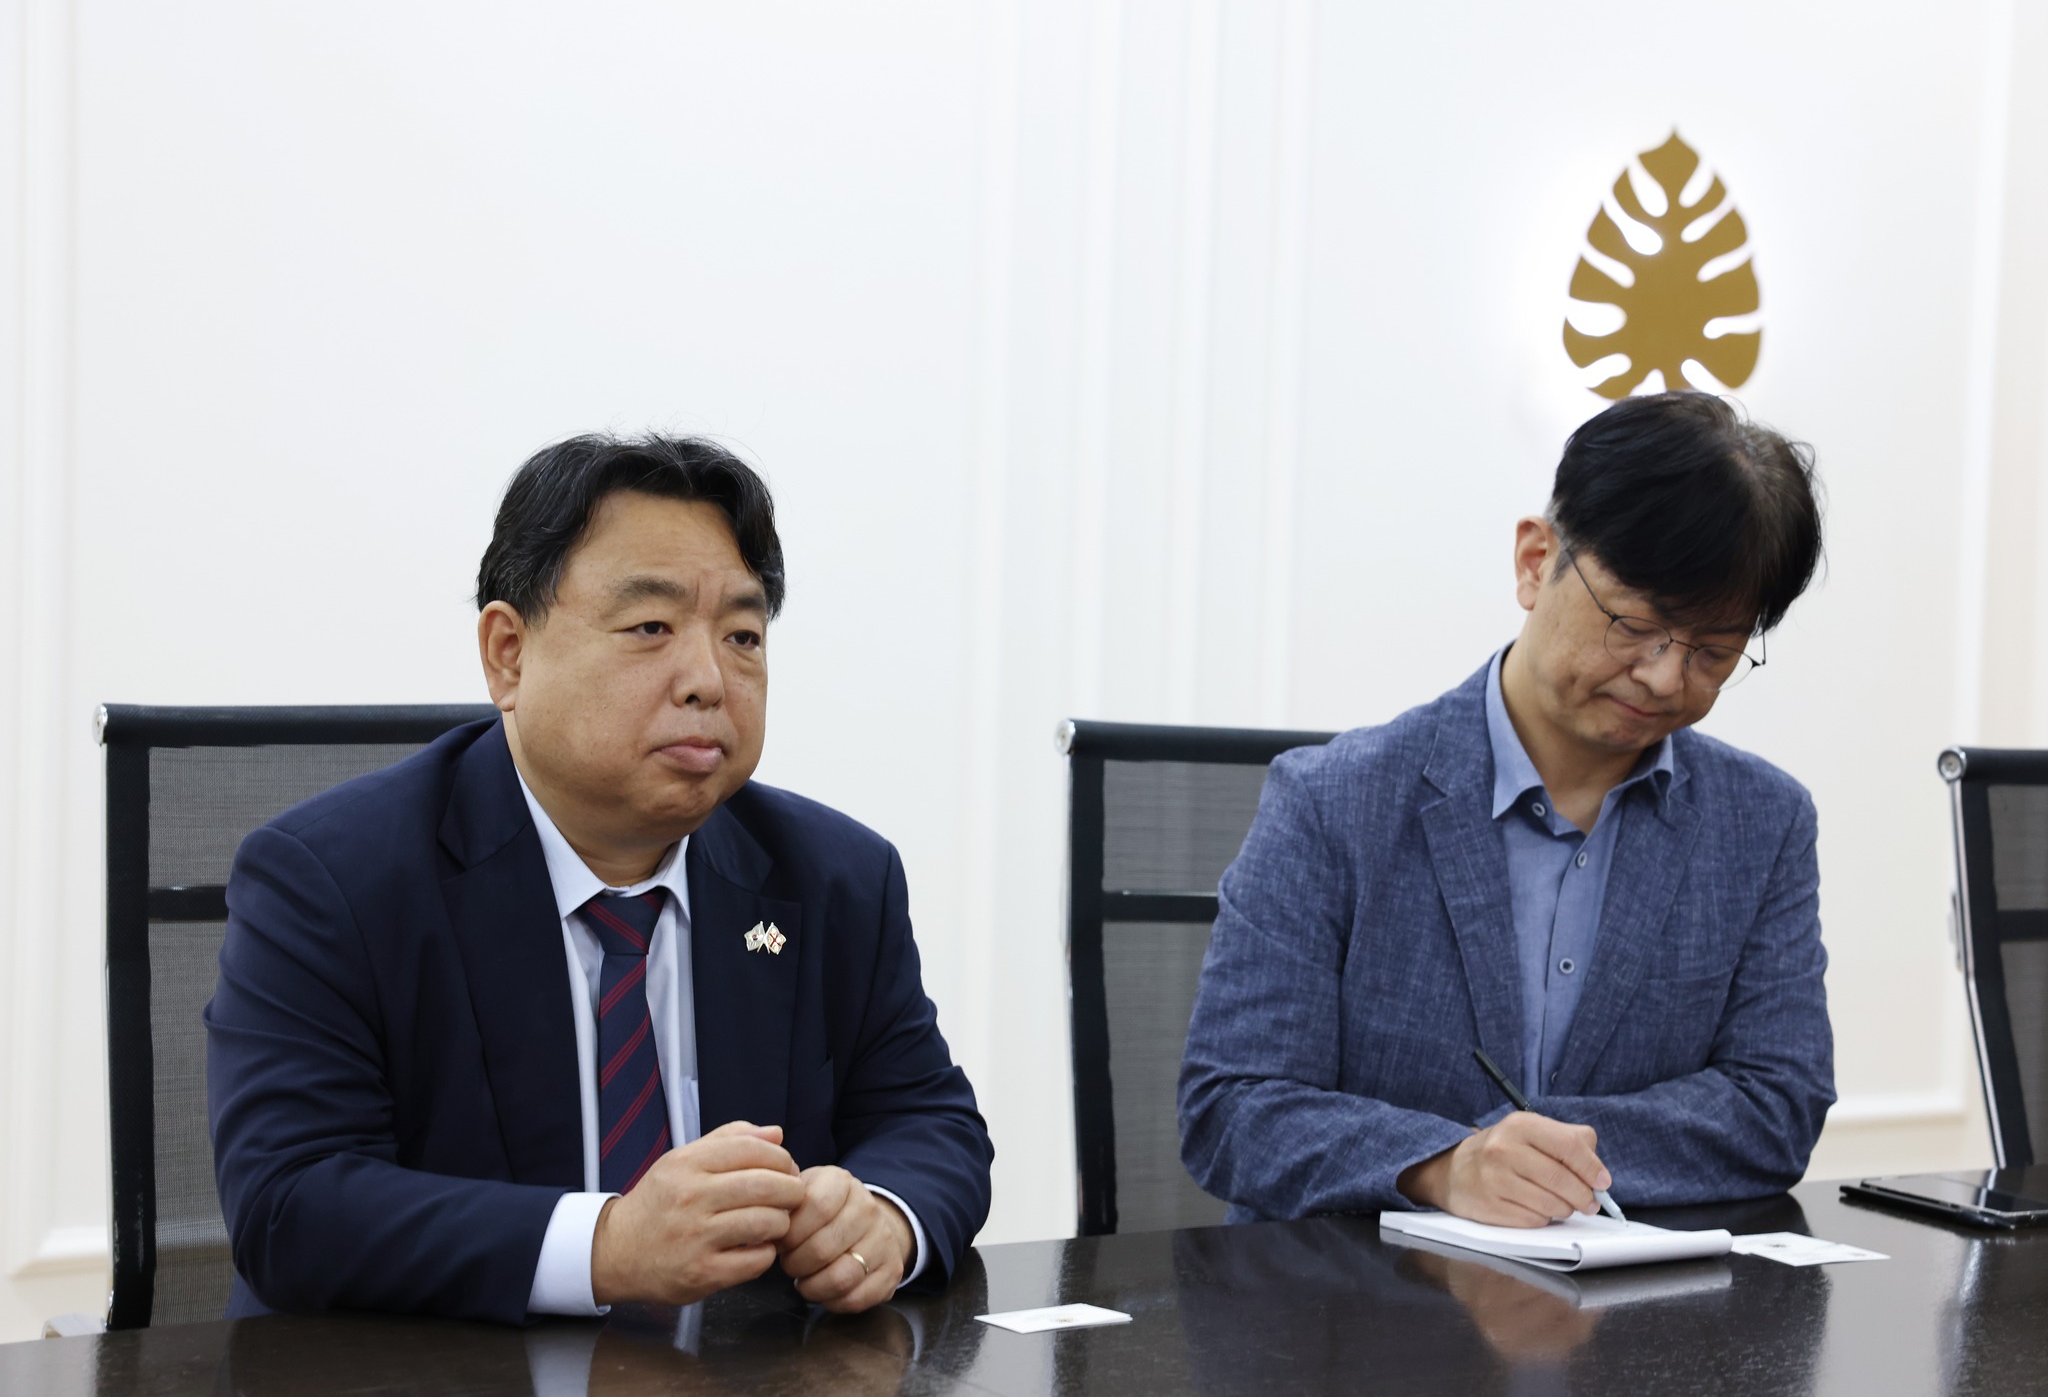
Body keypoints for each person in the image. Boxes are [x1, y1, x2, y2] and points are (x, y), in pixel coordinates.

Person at [207, 434, 993, 1323]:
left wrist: (882, 1215)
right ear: (508, 653)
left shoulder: (836, 877)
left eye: (742, 635)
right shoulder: (331, 881)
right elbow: (292, 1204)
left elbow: (931, 1121)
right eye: (651, 627)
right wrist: (607, 1246)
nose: (708, 680)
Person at [1178, 391, 1832, 1228]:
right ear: (1535, 560)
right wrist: (1444, 1165)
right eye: (1635, 625)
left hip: (1635, 1301)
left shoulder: (1762, 824)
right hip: (1363, 1297)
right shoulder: (1332, 802)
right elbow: (1232, 1104)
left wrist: (1539, 1157)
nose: (1666, 677)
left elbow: (1777, 1101)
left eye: (1713, 651)